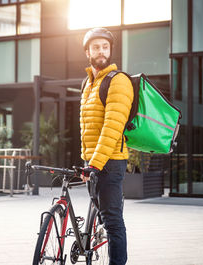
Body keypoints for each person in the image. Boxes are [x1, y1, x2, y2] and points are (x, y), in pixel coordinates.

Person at [80, 27, 133, 265]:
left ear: (110, 50)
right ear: (87, 51)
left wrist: (95, 163)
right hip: (93, 162)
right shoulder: (88, 83)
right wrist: (86, 162)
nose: (101, 51)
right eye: (95, 47)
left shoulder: (118, 81)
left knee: (113, 221)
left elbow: (112, 127)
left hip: (111, 162)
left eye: (105, 47)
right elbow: (87, 127)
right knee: (101, 214)